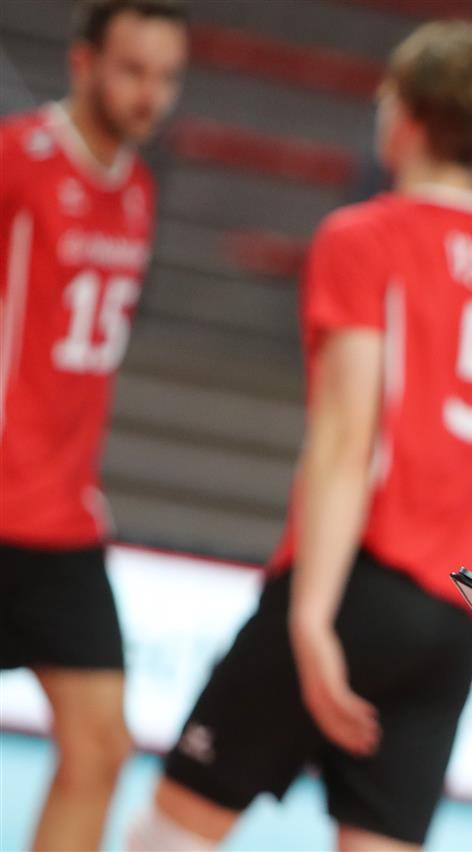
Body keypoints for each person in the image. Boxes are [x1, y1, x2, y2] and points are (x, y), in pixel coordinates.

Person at [127, 20, 472, 851]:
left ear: (408, 113)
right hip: (459, 619)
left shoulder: (365, 237)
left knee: (172, 833)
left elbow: (344, 443)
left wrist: (310, 619)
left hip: (355, 585)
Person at [0, 1, 187, 848]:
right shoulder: (19, 159)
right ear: (83, 64)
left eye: (167, 76)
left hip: (63, 519)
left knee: (100, 748)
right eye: (132, 70)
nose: (151, 93)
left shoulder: (138, 188)